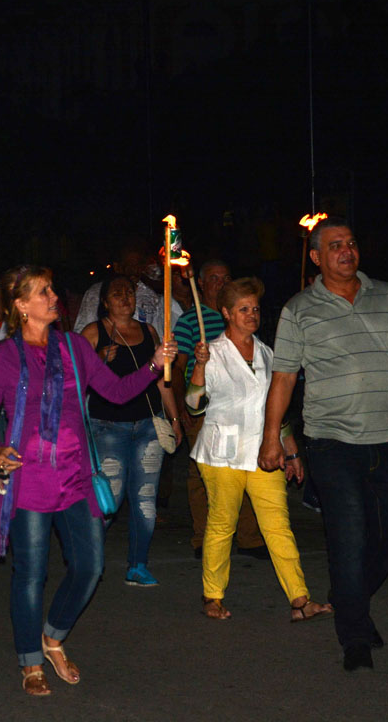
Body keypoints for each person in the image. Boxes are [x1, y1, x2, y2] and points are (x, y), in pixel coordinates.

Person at [259, 216, 388, 671]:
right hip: (331, 441)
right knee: (349, 538)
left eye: (351, 243)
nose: (346, 251)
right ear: (316, 257)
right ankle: (354, 634)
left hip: (386, 437)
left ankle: (348, 597)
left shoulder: (387, 295)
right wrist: (272, 436)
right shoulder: (300, 309)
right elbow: (284, 377)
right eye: (335, 245)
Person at [0, 265, 173, 696]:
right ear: (21, 306)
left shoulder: (73, 347)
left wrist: (156, 365)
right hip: (28, 481)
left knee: (90, 566)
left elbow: (118, 392)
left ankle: (53, 636)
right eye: (42, 292)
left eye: (51, 289)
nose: (52, 297)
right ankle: (30, 660)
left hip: (76, 476)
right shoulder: (3, 357)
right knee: (30, 574)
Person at [186, 277, 332, 622]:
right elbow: (193, 406)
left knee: (278, 525)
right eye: (243, 309)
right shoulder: (213, 352)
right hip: (222, 453)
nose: (251, 315)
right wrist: (200, 366)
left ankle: (300, 599)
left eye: (254, 308)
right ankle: (213, 596)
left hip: (265, 453)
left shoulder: (267, 353)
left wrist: (290, 449)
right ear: (226, 313)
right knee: (222, 524)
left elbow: (275, 408)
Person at [80, 274, 183, 586]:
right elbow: (74, 378)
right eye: (118, 293)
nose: (125, 297)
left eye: (129, 292)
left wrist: (175, 420)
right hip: (108, 426)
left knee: (145, 500)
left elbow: (162, 381)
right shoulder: (93, 333)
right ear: (105, 302)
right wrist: (97, 360)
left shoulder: (149, 331)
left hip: (148, 427)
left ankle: (138, 564)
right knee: (109, 499)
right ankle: (87, 560)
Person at [171, 259, 267, 560]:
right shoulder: (190, 321)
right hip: (205, 407)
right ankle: (203, 536)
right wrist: (181, 406)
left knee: (247, 466)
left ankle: (249, 537)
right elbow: (179, 367)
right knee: (201, 474)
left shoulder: (242, 320)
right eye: (214, 278)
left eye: (226, 277)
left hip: (240, 408)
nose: (221, 283)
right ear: (200, 283)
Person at [73, 242, 172, 341]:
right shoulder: (96, 293)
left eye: (138, 265)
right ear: (117, 267)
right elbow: (81, 335)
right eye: (129, 265)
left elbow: (158, 335)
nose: (134, 270)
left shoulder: (150, 296)